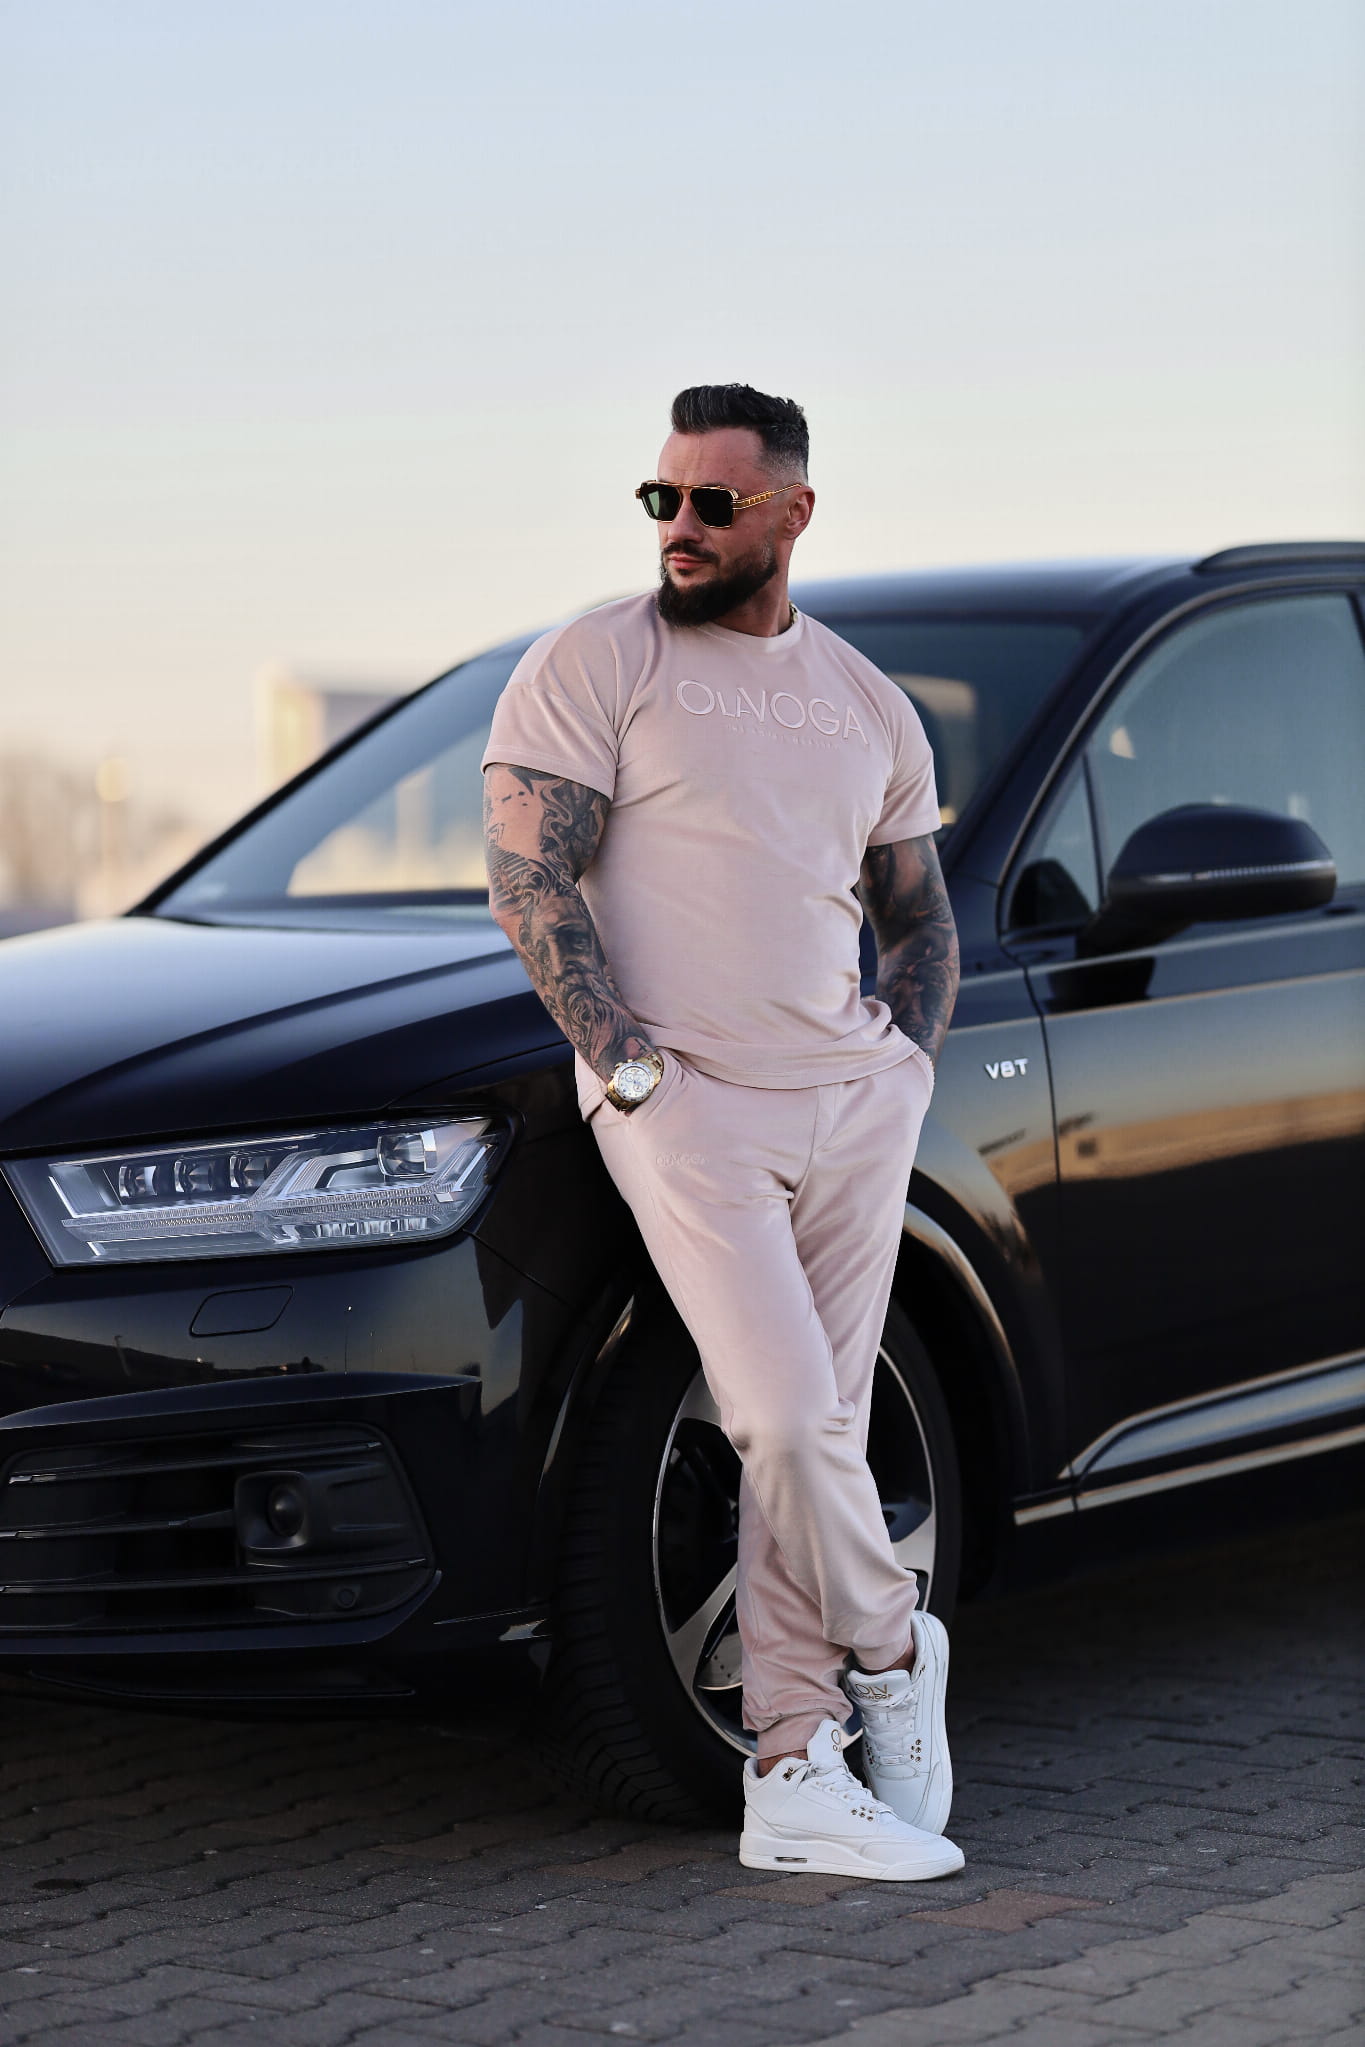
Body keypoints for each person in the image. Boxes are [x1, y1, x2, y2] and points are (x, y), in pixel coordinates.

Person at [481, 383, 963, 1883]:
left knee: (812, 1438)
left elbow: (917, 914)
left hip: (854, 1105)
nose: (678, 527)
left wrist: (904, 1068)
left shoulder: (866, 703)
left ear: (793, 513)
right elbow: (527, 879)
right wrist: (629, 1071)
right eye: (661, 498)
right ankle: (895, 1650)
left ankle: (792, 1768)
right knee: (782, 1418)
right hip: (689, 1105)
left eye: (714, 502)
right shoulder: (595, 661)